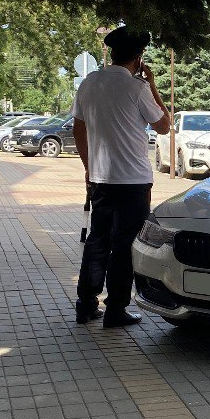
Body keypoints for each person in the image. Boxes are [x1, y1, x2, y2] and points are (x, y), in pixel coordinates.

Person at [73, 27, 171, 327]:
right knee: (125, 246)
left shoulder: (89, 83)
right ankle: (116, 309)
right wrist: (152, 84)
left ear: (112, 54)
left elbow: (78, 128)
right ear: (139, 58)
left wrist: (89, 166)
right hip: (132, 182)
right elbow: (164, 126)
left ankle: (86, 304)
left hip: (100, 178)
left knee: (97, 241)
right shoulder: (137, 88)